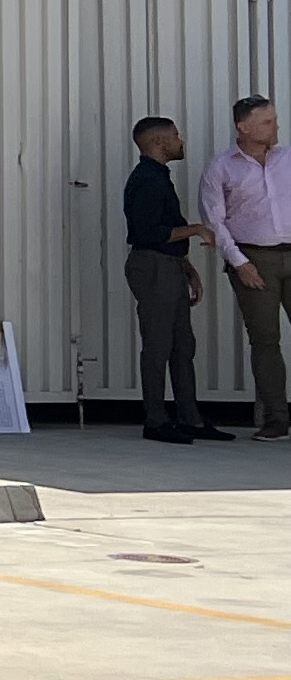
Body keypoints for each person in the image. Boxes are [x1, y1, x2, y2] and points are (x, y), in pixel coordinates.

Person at [198, 96, 291, 441]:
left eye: (275, 119)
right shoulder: (221, 168)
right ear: (244, 127)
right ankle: (276, 418)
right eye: (267, 122)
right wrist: (240, 263)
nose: (276, 126)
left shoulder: (288, 158)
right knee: (265, 341)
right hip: (254, 259)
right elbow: (215, 221)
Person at [122, 115, 211, 442]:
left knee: (182, 345)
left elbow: (163, 230)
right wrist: (197, 229)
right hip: (153, 268)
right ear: (159, 142)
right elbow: (148, 233)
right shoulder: (147, 180)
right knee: (158, 346)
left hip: (169, 266)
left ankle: (190, 419)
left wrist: (186, 267)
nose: (180, 140)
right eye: (175, 135)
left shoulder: (158, 176)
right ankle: (156, 421)